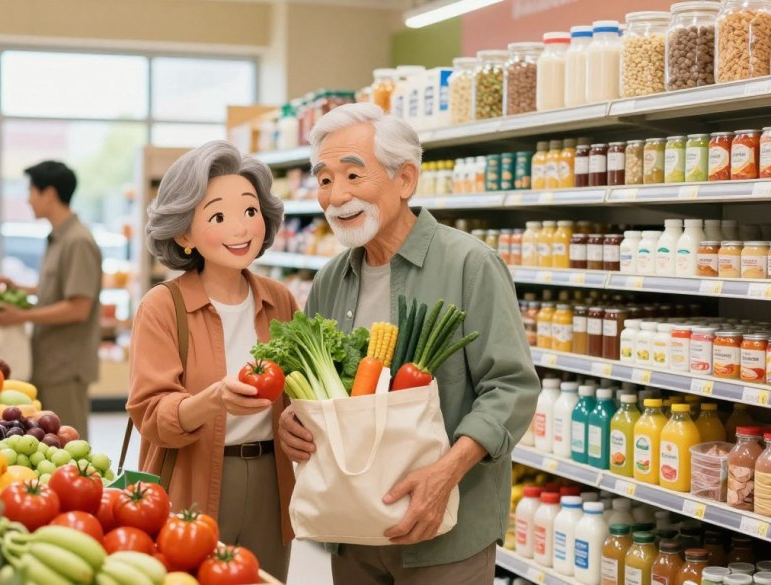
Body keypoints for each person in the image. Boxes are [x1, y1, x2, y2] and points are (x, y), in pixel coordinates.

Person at [278, 103, 540, 584]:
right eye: (325, 179)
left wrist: (444, 474)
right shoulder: (332, 279)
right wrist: (294, 416)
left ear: (405, 180)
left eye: (353, 175)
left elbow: (511, 388)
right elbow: (318, 389)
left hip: (444, 532)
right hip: (352, 524)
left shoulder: (471, 265)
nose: (336, 197)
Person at [126, 141, 297, 581]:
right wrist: (213, 400)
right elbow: (152, 415)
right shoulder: (163, 307)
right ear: (184, 234)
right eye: (218, 216)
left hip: (270, 480)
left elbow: (296, 392)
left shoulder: (279, 300)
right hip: (190, 477)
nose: (241, 228)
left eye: (250, 211)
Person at [0, 161, 102, 438]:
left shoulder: (78, 241)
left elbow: (78, 307)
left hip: (66, 366)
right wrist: (25, 290)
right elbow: (56, 291)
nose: (28, 199)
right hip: (49, 361)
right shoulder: (57, 239)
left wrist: (22, 315)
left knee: (69, 442)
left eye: (31, 191)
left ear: (49, 193)